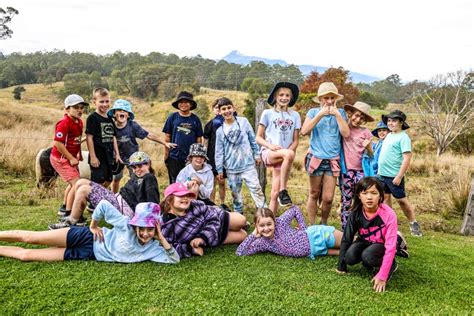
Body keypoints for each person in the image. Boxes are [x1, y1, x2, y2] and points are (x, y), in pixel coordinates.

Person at [0, 201, 179, 264]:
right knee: (31, 237)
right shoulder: (126, 224)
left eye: (150, 229)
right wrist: (93, 225)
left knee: (27, 256)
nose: (146, 234)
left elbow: (174, 259)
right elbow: (102, 205)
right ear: (136, 226)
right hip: (85, 236)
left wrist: (161, 238)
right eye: (142, 228)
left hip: (87, 253)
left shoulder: (154, 249)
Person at [48, 151, 159, 229]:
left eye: (140, 166)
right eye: (134, 167)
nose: (137, 170)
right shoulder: (137, 176)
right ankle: (78, 219)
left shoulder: (149, 178)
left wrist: (145, 223)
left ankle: (71, 221)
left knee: (83, 190)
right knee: (81, 182)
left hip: (125, 209)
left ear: (148, 164)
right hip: (117, 199)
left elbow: (153, 204)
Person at [336, 177, 399, 293]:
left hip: (381, 244)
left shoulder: (389, 214)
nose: (369, 197)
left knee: (368, 256)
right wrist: (341, 266)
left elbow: (390, 247)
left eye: (374, 193)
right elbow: (347, 238)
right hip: (364, 241)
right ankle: (368, 261)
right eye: (365, 193)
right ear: (359, 196)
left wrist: (383, 276)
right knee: (349, 257)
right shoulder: (355, 213)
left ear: (380, 196)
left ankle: (392, 264)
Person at [301, 82, 350, 225]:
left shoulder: (340, 113)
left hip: (332, 161)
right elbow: (304, 132)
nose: (329, 101)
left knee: (328, 198)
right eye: (326, 98)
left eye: (332, 98)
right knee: (314, 193)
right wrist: (320, 115)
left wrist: (337, 116)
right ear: (320, 99)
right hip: (316, 157)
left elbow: (346, 133)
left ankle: (323, 223)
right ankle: (311, 225)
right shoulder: (313, 112)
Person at [160, 182, 248, 258]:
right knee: (243, 236)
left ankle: (236, 225)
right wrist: (191, 249)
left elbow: (212, 218)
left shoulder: (195, 204)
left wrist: (202, 238)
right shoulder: (167, 224)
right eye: (180, 196)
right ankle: (231, 229)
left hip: (216, 219)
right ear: (169, 200)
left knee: (241, 220)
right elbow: (169, 246)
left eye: (186, 195)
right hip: (211, 237)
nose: (185, 198)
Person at [107, 99, 176, 193]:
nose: (122, 112)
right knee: (116, 179)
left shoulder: (132, 126)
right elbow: (96, 135)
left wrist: (164, 143)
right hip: (117, 157)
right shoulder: (111, 126)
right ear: (114, 114)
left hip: (132, 157)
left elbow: (148, 135)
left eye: (125, 111)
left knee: (135, 179)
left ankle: (135, 196)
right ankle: (114, 197)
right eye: (119, 110)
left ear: (128, 115)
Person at [215, 97, 267, 214]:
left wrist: (257, 154)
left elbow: (252, 139)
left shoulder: (243, 122)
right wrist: (219, 169)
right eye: (223, 109)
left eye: (229, 108)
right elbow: (219, 152)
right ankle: (240, 219)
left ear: (233, 108)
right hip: (231, 168)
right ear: (219, 112)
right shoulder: (220, 131)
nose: (227, 111)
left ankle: (264, 215)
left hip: (247, 165)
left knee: (256, 190)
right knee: (236, 195)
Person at [256, 82, 301, 212]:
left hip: (285, 158)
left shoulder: (295, 116)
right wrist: (270, 146)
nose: (284, 97)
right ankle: (284, 191)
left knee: (274, 194)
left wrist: (288, 153)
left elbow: (296, 141)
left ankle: (271, 225)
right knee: (289, 154)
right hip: (270, 152)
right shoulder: (267, 113)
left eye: (287, 95)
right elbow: (258, 137)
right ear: (275, 97)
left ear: (291, 98)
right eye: (281, 94)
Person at [378, 110, 423, 237]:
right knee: (386, 198)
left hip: (394, 175)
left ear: (401, 123)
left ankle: (413, 223)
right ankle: (390, 223)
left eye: (394, 121)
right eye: (389, 120)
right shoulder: (389, 135)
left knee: (401, 200)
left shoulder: (404, 137)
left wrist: (399, 176)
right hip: (383, 174)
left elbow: (407, 158)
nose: (390, 123)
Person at [236, 206, 342, 259]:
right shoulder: (262, 242)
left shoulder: (280, 222)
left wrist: (303, 229)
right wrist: (254, 234)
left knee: (349, 241)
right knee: (345, 252)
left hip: (318, 235)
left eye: (269, 224)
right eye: (262, 226)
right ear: (256, 226)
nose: (266, 228)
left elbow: (295, 209)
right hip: (316, 251)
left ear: (274, 222)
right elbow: (240, 252)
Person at [51, 94, 88, 220]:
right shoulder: (64, 123)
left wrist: (79, 155)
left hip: (71, 157)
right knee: (77, 184)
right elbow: (58, 143)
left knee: (73, 183)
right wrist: (71, 158)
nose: (79, 110)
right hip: (60, 158)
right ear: (67, 109)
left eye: (81, 107)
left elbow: (75, 140)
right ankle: (69, 214)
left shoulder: (79, 122)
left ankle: (64, 207)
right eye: (75, 107)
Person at [340, 101, 375, 229]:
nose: (358, 119)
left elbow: (372, 157)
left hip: (361, 172)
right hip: (346, 171)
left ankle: (361, 228)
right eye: (356, 115)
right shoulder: (343, 128)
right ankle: (345, 229)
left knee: (361, 201)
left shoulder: (366, 132)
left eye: (362, 118)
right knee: (346, 201)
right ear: (350, 114)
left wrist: (369, 148)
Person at [162, 91, 203, 184]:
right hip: (174, 157)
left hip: (190, 158)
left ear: (191, 104)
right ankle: (174, 199)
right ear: (177, 104)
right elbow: (167, 137)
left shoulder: (195, 119)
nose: (183, 104)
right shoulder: (172, 117)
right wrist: (166, 155)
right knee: (174, 182)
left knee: (189, 182)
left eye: (186, 102)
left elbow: (199, 139)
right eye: (181, 102)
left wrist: (197, 156)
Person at [86, 87, 121, 188]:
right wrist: (93, 157)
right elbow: (89, 138)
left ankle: (101, 200)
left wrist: (117, 154)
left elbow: (113, 137)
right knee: (98, 182)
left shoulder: (110, 119)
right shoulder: (92, 118)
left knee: (108, 180)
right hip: (98, 156)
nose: (105, 104)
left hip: (109, 156)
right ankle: (94, 203)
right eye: (101, 101)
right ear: (94, 102)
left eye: (107, 101)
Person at [203, 98, 231, 211]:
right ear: (214, 110)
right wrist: (204, 157)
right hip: (211, 157)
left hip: (225, 158)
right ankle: (212, 204)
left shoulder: (230, 123)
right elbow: (205, 142)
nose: (218, 110)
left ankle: (223, 203)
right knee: (212, 182)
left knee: (222, 182)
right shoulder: (210, 124)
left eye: (220, 108)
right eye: (216, 108)